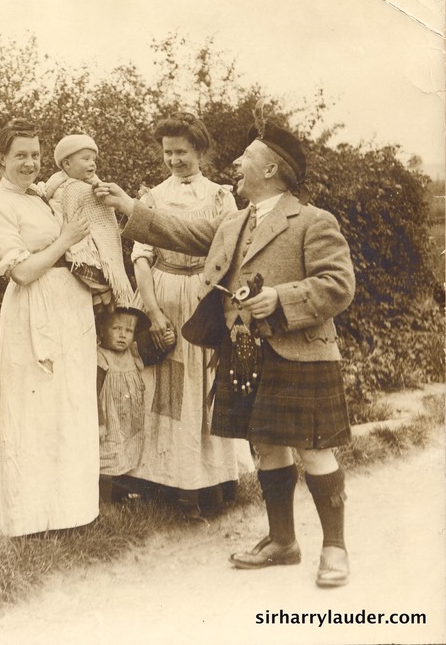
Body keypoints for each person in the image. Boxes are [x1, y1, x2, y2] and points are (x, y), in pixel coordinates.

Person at [97, 121, 355, 587]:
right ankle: (282, 541)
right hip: (245, 351)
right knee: (267, 447)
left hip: (300, 353)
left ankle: (334, 548)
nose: (236, 165)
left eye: (247, 160)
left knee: (314, 451)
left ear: (271, 168)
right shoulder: (234, 221)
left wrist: (282, 298)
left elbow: (339, 286)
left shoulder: (314, 221)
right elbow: (179, 232)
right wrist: (130, 207)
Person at [0, 118, 99, 537]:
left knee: (70, 403)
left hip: (70, 304)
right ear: (1, 159)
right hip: (34, 308)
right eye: (20, 156)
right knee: (35, 409)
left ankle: (71, 512)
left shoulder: (41, 195)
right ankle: (27, 517)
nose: (29, 163)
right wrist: (64, 241)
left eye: (35, 155)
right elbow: (23, 272)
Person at [127, 112, 252, 520]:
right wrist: (155, 311)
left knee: (205, 384)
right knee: (166, 390)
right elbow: (142, 258)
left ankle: (210, 480)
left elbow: (228, 254)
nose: (175, 160)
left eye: (182, 151)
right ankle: (164, 482)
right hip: (162, 292)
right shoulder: (150, 197)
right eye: (168, 152)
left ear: (199, 150)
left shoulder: (220, 196)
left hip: (204, 296)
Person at [42, 134, 132, 307]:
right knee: (85, 266)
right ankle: (102, 291)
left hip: (84, 237)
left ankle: (100, 292)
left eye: (93, 159)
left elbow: (101, 215)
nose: (92, 163)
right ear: (67, 164)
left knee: (93, 262)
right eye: (86, 159)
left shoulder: (93, 186)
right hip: (67, 238)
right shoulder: (58, 183)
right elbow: (48, 198)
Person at [95, 304, 148, 503]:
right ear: (101, 329)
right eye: (116, 329)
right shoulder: (100, 357)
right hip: (110, 419)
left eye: (128, 330)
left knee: (127, 454)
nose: (122, 335)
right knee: (108, 457)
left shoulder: (131, 354)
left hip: (130, 419)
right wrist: (100, 422)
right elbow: (93, 391)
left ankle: (121, 494)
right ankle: (104, 501)